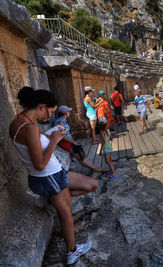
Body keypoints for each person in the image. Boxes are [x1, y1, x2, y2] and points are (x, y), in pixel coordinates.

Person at [9, 87, 97, 265]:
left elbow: (33, 147)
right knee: (66, 215)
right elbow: (39, 164)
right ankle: (73, 251)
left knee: (91, 184)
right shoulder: (30, 128)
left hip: (54, 174)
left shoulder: (19, 121)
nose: (49, 117)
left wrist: (50, 136)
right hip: (48, 176)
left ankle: (50, 200)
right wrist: (56, 140)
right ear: (42, 106)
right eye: (50, 112)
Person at [55, 105, 104, 173]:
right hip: (66, 143)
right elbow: (63, 136)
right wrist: (74, 142)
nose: (69, 113)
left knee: (81, 155)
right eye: (68, 111)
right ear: (65, 113)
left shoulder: (62, 121)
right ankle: (93, 168)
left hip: (69, 141)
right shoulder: (60, 122)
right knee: (79, 156)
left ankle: (93, 167)